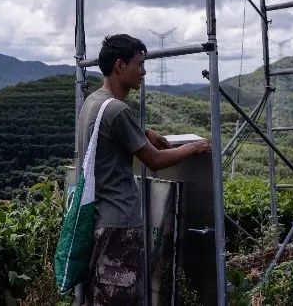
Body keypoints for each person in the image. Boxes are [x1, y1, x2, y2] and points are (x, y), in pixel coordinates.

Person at [80, 34, 212, 306]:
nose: (143, 71)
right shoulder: (117, 110)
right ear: (120, 65)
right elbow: (155, 161)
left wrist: (144, 132)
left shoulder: (93, 102)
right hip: (119, 221)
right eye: (139, 64)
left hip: (98, 217)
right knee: (121, 297)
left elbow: (110, 135)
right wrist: (194, 148)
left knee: (101, 295)